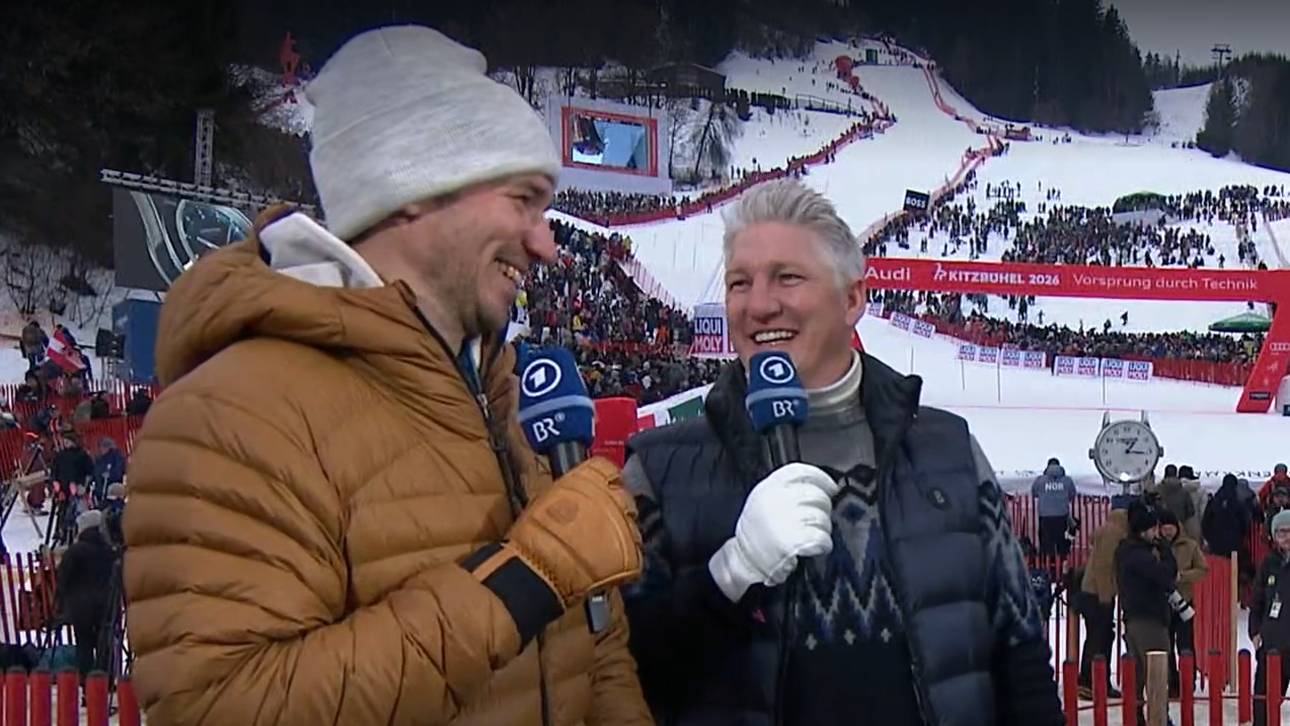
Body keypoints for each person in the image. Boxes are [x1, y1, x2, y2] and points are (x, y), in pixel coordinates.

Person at [123, 26, 649, 725]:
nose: (545, 243)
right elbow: (218, 705)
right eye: (522, 201)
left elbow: (594, 643)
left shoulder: (504, 394)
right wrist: (522, 581)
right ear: (413, 191)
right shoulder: (230, 412)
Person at [622, 179, 1062, 725]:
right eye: (740, 283)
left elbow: (1020, 660)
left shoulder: (947, 451)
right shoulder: (660, 469)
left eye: (787, 277)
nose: (759, 305)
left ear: (853, 298)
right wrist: (728, 578)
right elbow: (628, 680)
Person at [1115, 500, 1177, 726]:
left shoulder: (1128, 551)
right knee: (1156, 672)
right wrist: (1167, 551)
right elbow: (1165, 576)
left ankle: (1138, 716)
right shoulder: (1138, 555)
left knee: (1139, 673)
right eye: (1153, 529)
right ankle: (1158, 717)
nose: (1157, 533)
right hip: (1147, 618)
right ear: (1144, 530)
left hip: (1137, 617)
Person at [56, 510, 115, 682]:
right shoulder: (109, 552)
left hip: (80, 607)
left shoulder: (74, 552)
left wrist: (61, 602)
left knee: (84, 645)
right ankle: (106, 681)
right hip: (105, 605)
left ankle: (87, 683)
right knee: (104, 645)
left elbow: (63, 578)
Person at [1077, 504, 1129, 698]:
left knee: (1100, 637)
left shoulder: (1110, 529)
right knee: (1099, 638)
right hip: (1097, 594)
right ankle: (1089, 682)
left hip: (1093, 592)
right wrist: (1106, 598)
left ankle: (1095, 681)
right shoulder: (1113, 533)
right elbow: (1104, 566)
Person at [1159, 509, 1207, 696]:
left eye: (1170, 527)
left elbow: (1203, 569)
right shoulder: (1156, 546)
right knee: (1166, 644)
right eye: (1164, 527)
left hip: (1185, 601)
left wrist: (1183, 576)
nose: (1167, 531)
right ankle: (1171, 682)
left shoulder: (1190, 546)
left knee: (1186, 644)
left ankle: (1188, 681)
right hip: (1162, 602)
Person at [1251, 509, 1290, 726]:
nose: (1287, 537)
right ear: (1274, 536)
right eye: (1282, 532)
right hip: (1272, 645)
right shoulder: (1269, 564)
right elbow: (1256, 602)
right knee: (1263, 705)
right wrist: (1255, 632)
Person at [1031, 457, 1076, 557]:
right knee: (1063, 543)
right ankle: (1063, 565)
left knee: (1046, 545)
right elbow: (1072, 494)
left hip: (1045, 517)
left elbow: (1034, 493)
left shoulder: (1040, 480)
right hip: (1062, 516)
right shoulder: (1067, 480)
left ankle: (1048, 567)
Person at [92, 437, 125, 503]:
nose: (101, 449)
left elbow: (118, 472)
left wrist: (109, 475)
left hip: (112, 491)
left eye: (102, 447)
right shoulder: (99, 459)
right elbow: (95, 473)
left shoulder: (116, 457)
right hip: (100, 492)